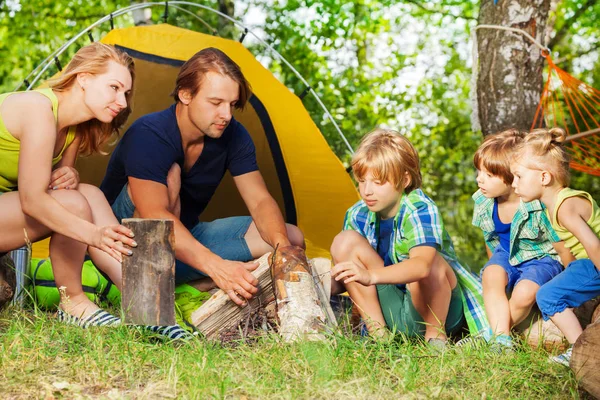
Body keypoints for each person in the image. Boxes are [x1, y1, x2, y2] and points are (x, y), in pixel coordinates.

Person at [100, 47, 304, 306]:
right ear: (185, 95)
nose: (226, 115)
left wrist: (282, 249)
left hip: (183, 238)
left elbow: (260, 200)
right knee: (171, 174)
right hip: (123, 246)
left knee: (290, 238)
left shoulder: (234, 135)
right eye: (216, 103)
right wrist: (217, 266)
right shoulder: (149, 134)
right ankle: (152, 287)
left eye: (231, 105)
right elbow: (153, 214)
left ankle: (188, 286)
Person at [0, 43, 137, 326]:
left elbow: (57, 187)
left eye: (125, 93)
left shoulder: (74, 128)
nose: (122, 102)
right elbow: (33, 200)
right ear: (83, 79)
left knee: (89, 194)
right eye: (114, 87)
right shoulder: (37, 109)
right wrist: (94, 234)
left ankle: (143, 298)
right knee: (74, 203)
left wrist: (69, 175)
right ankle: (72, 301)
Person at [330, 128, 487, 346]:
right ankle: (380, 338)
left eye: (378, 182)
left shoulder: (419, 208)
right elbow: (350, 275)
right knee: (344, 241)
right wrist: (324, 279)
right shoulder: (357, 214)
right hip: (393, 309)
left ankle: (436, 341)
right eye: (362, 180)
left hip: (437, 310)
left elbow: (422, 267)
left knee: (430, 261)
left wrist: (370, 275)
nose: (366, 191)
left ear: (404, 180)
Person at [512, 127, 600, 366]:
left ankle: (579, 349)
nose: (513, 184)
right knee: (559, 285)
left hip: (595, 261)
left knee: (548, 295)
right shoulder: (553, 205)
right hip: (587, 262)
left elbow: (593, 244)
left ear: (543, 177)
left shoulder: (565, 206)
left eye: (518, 176)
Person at [471, 129, 563, 351]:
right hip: (506, 253)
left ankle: (492, 335)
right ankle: (502, 340)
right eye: (479, 172)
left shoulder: (537, 204)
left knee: (524, 292)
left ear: (512, 176)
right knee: (491, 275)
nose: (479, 179)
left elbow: (559, 241)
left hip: (541, 258)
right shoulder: (484, 202)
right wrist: (497, 269)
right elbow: (490, 239)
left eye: (488, 175)